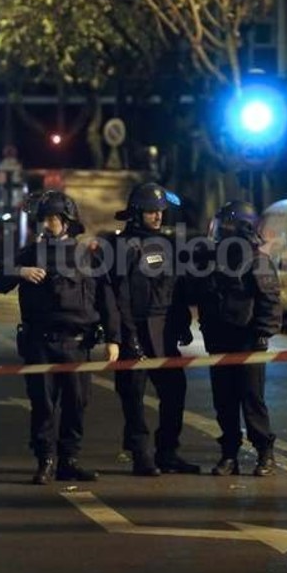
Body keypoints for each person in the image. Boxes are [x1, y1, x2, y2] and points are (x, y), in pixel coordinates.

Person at [0, 190, 121, 485]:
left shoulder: (89, 254)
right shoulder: (28, 253)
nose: (49, 224)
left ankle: (69, 460)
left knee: (77, 403)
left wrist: (114, 338)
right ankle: (45, 460)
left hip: (78, 342)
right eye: (45, 218)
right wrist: (20, 271)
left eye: (54, 218)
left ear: (67, 221)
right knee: (43, 405)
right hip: (41, 342)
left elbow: (106, 298)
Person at [177, 200, 282, 477]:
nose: (219, 231)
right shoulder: (210, 261)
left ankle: (264, 452)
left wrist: (262, 334)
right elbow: (195, 292)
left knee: (252, 399)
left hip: (248, 341)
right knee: (223, 401)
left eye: (225, 225)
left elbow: (270, 301)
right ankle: (229, 454)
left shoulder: (257, 261)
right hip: (219, 341)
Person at [109, 182, 201, 477]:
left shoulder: (170, 245)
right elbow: (118, 296)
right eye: (151, 211)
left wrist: (183, 324)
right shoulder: (122, 247)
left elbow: (177, 289)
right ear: (137, 213)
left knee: (175, 392)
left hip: (164, 333)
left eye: (161, 211)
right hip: (134, 329)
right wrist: (124, 336)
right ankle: (141, 455)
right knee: (133, 397)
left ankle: (168, 452)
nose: (158, 216)